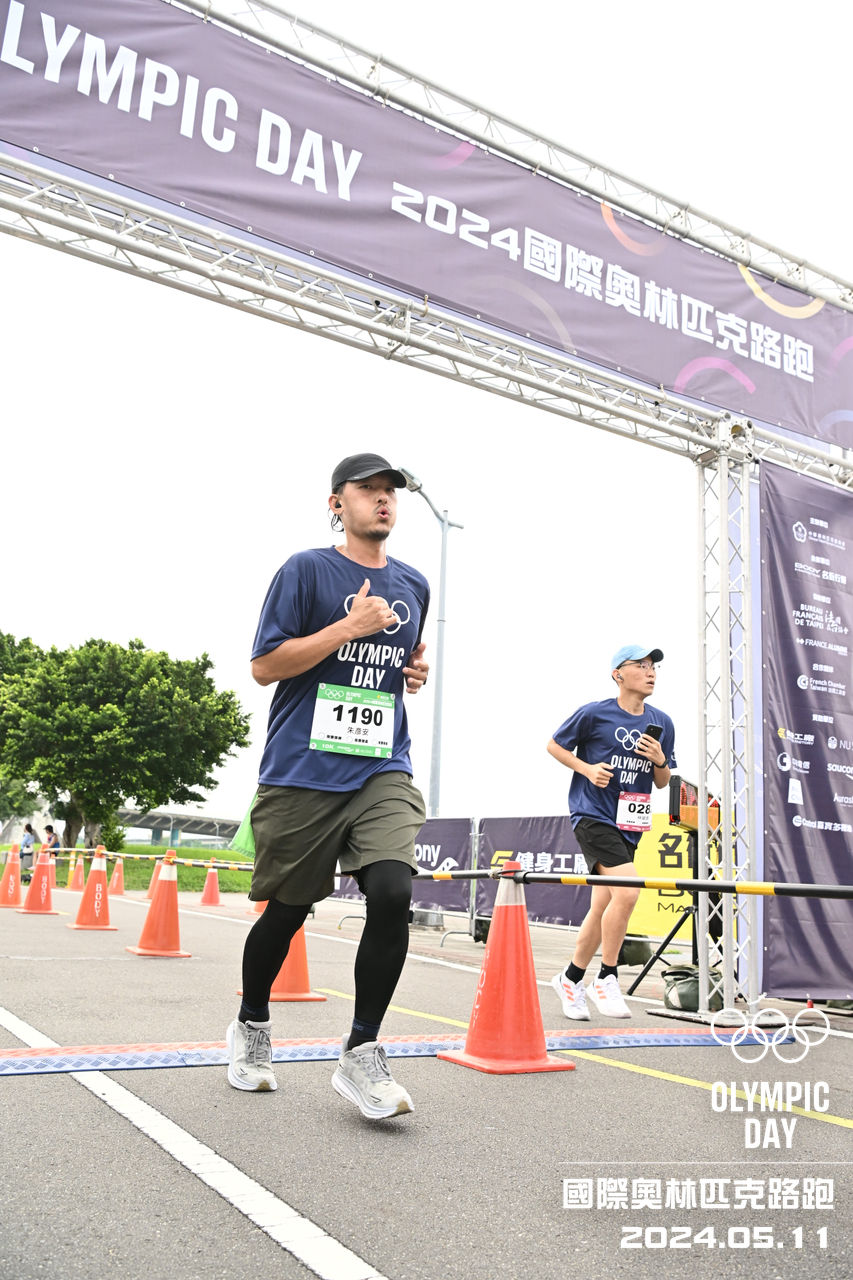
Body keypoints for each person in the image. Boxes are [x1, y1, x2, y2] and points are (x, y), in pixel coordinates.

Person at [226, 453, 430, 1119]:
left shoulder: (414, 585)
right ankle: (252, 1024)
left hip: (381, 766)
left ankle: (361, 1052)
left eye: (390, 491)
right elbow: (265, 666)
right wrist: (348, 627)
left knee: (393, 891)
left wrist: (411, 672)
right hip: (303, 771)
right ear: (337, 503)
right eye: (367, 490)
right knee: (286, 912)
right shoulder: (306, 570)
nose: (382, 499)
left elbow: (398, 662)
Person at [547, 644, 676, 1020]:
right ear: (618, 674)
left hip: (631, 824)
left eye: (654, 666)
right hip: (593, 816)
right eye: (641, 665)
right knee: (629, 889)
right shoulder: (594, 713)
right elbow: (554, 745)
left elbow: (663, 781)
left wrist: (660, 760)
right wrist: (587, 769)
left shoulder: (663, 722)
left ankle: (570, 979)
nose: (651, 672)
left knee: (603, 905)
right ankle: (606, 976)